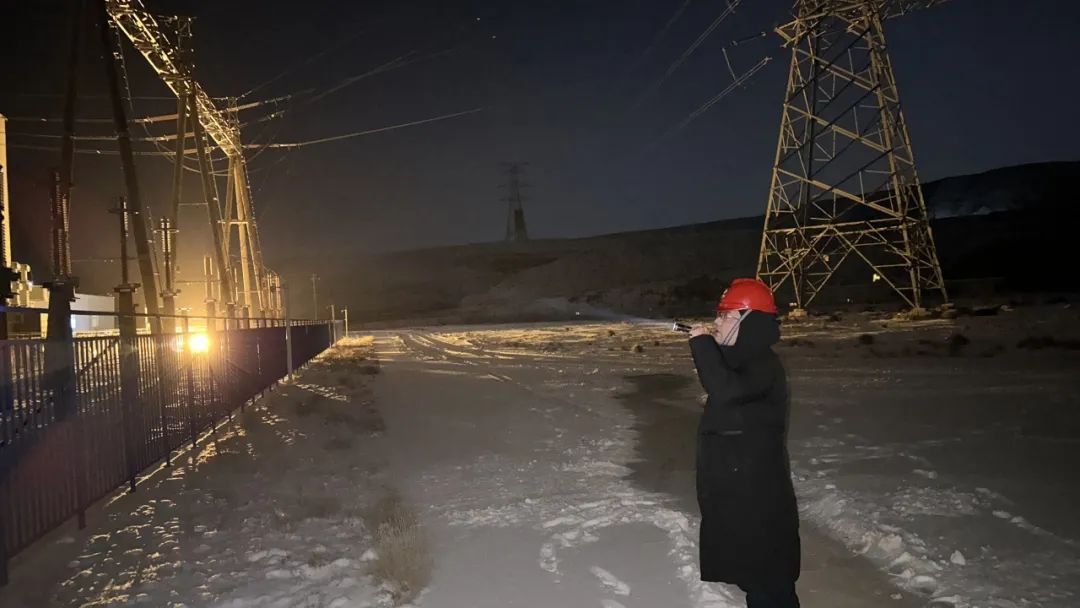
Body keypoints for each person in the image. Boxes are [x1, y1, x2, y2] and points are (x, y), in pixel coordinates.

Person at [687, 278, 801, 607]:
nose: (717, 322)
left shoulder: (763, 364)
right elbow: (727, 383)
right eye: (718, 314)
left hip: (757, 500)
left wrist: (703, 345)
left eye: (726, 315)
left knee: (768, 582)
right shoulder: (744, 361)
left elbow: (726, 389)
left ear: (749, 321)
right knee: (754, 576)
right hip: (740, 495)